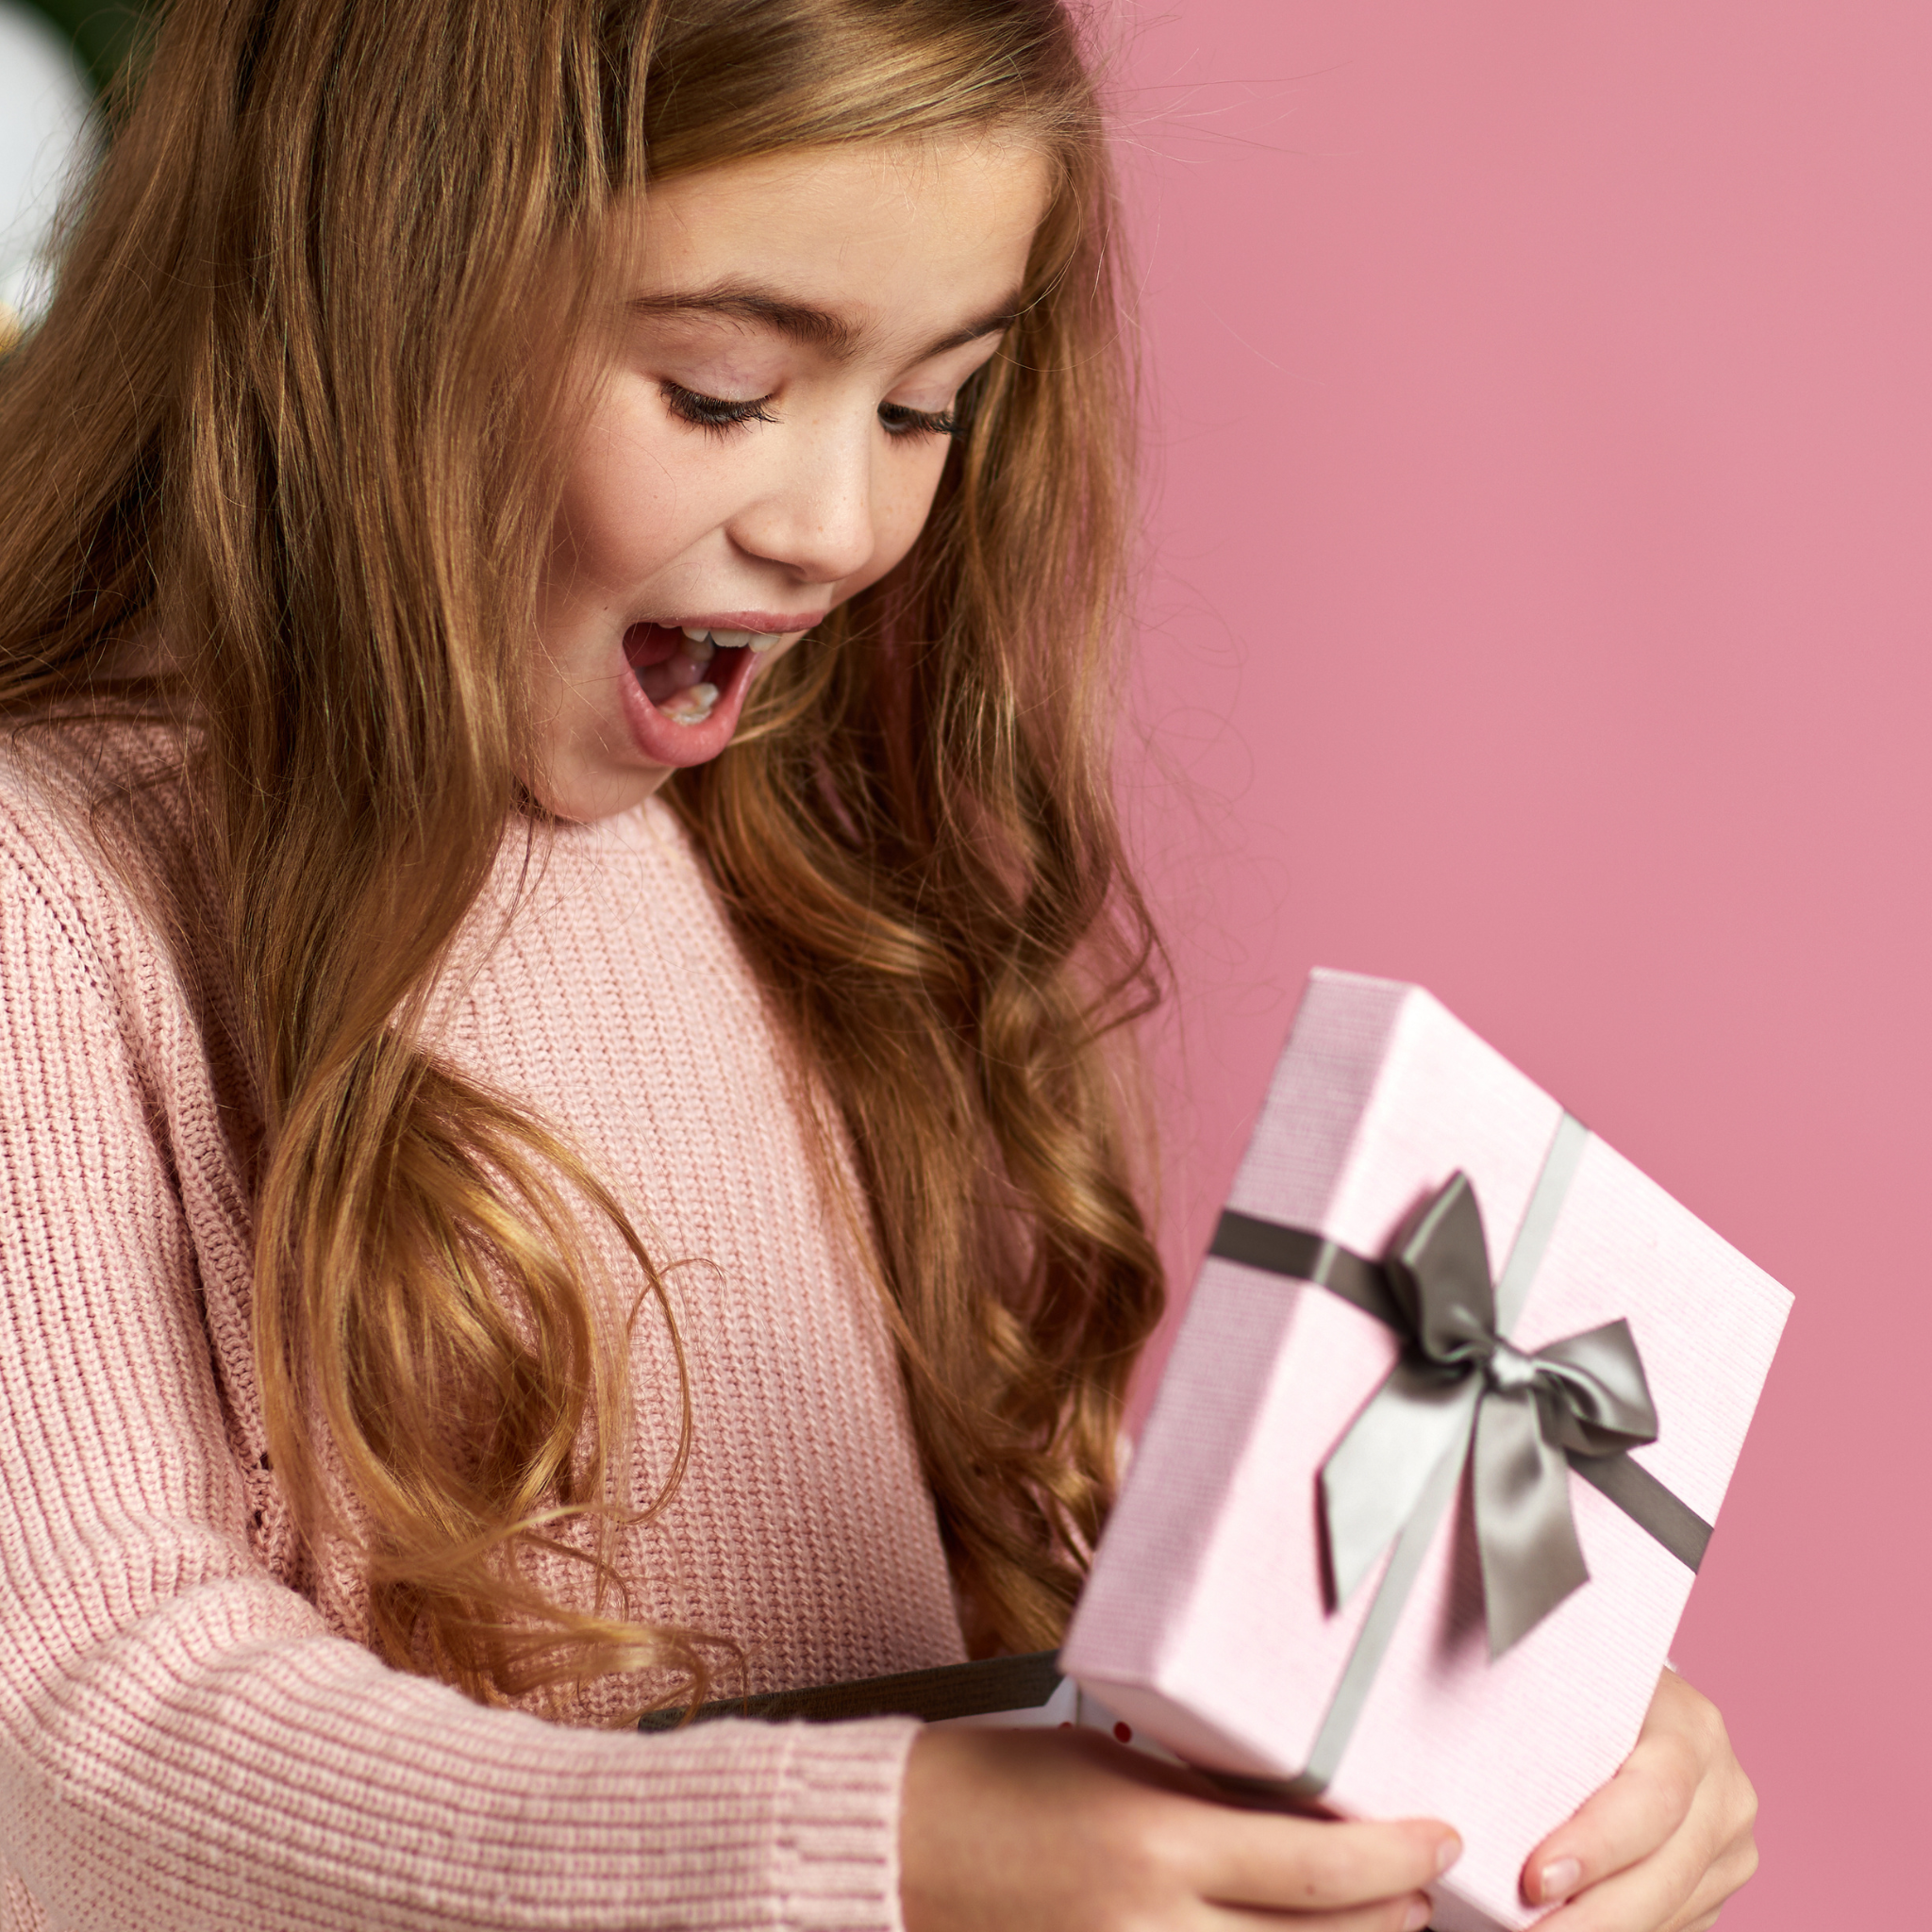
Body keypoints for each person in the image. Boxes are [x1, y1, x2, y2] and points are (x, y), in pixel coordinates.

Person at [0, 1, 1757, 1927]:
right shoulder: (52, 888)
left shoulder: (787, 875)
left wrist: (1457, 1744)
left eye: (928, 405)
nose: (839, 526)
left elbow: (961, 1684)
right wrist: (886, 1857)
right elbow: (91, 1742)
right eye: (724, 390)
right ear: (357, 298)